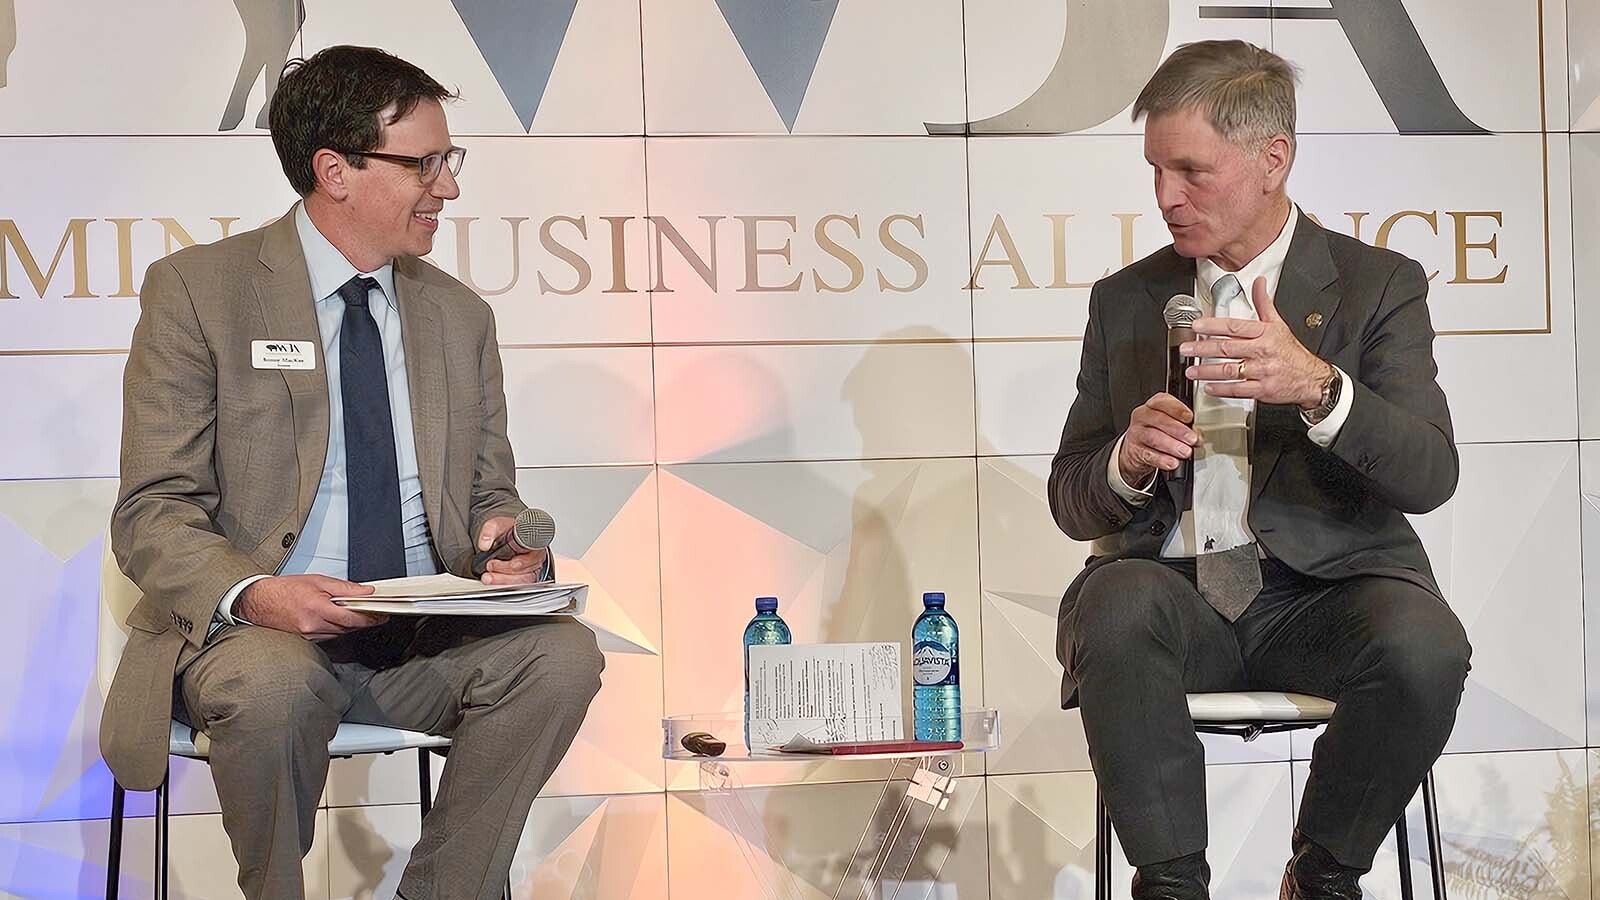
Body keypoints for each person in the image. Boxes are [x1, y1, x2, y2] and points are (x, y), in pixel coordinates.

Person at [100, 45, 604, 900]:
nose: (447, 186)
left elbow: (489, 492)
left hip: (415, 644)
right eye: (426, 163)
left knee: (561, 658)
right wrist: (259, 593)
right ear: (335, 170)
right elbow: (152, 511)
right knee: (272, 681)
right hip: (254, 640)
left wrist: (501, 542)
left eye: (450, 161)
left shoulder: (458, 317)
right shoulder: (199, 293)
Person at [1049, 40, 1470, 900]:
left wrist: (1319, 387)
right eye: (1156, 171)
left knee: (1426, 646)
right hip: (1175, 599)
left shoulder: (1376, 285)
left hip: (1325, 600)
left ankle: (1321, 875)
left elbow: (1430, 475)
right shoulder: (1126, 299)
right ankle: (1172, 886)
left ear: (1272, 159)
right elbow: (1071, 495)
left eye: (1192, 171)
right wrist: (1125, 462)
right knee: (1114, 598)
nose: (1167, 197)